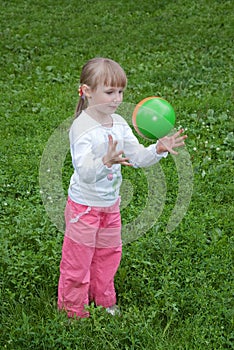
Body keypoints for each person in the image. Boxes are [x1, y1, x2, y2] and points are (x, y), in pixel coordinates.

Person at [57, 57, 187, 318]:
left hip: (110, 206)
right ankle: (72, 310)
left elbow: (137, 158)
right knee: (78, 260)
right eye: (109, 92)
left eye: (120, 92)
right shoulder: (81, 128)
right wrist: (105, 161)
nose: (117, 98)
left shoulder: (119, 123)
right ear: (87, 91)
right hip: (84, 208)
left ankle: (103, 300)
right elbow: (84, 171)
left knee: (108, 254)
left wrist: (157, 150)